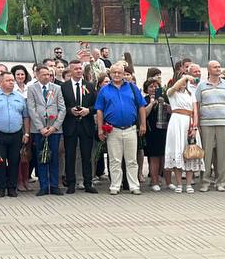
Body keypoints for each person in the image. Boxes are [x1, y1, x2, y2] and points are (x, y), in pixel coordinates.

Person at [93, 62, 146, 196]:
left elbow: (141, 106)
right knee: (114, 160)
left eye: (119, 73)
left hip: (130, 128)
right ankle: (115, 185)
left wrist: (143, 124)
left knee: (131, 160)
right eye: (114, 72)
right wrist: (100, 129)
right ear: (110, 74)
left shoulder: (132, 88)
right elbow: (99, 110)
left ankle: (134, 185)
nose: (117, 75)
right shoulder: (105, 90)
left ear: (124, 74)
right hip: (113, 129)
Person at [26, 64, 66, 195]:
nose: (47, 77)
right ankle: (43, 186)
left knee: (54, 157)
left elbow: (62, 109)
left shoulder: (57, 88)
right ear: (37, 75)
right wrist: (41, 127)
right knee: (41, 157)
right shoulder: (32, 89)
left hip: (54, 129)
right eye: (43, 74)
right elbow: (31, 109)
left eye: (48, 74)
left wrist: (54, 127)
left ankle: (54, 185)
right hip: (39, 130)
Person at [163, 63, 201, 193]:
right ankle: (179, 183)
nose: (184, 83)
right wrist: (185, 78)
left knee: (190, 153)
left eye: (186, 81)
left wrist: (194, 127)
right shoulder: (171, 93)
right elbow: (173, 87)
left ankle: (189, 183)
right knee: (178, 151)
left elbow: (195, 111)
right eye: (182, 80)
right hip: (177, 122)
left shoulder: (191, 94)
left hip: (189, 122)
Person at [197, 60, 225, 192]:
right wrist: (197, 124)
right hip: (206, 123)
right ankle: (205, 182)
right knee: (206, 154)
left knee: (222, 154)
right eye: (215, 67)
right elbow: (197, 105)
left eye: (219, 67)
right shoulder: (201, 85)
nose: (218, 69)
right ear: (209, 69)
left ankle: (221, 182)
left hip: (223, 122)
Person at [60, 60, 97, 194]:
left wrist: (88, 110)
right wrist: (70, 111)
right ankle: (71, 183)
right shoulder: (64, 87)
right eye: (75, 69)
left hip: (86, 125)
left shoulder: (90, 86)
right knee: (70, 155)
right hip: (70, 125)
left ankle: (88, 183)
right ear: (70, 71)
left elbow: (96, 105)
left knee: (86, 156)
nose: (79, 71)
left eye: (80, 68)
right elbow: (61, 105)